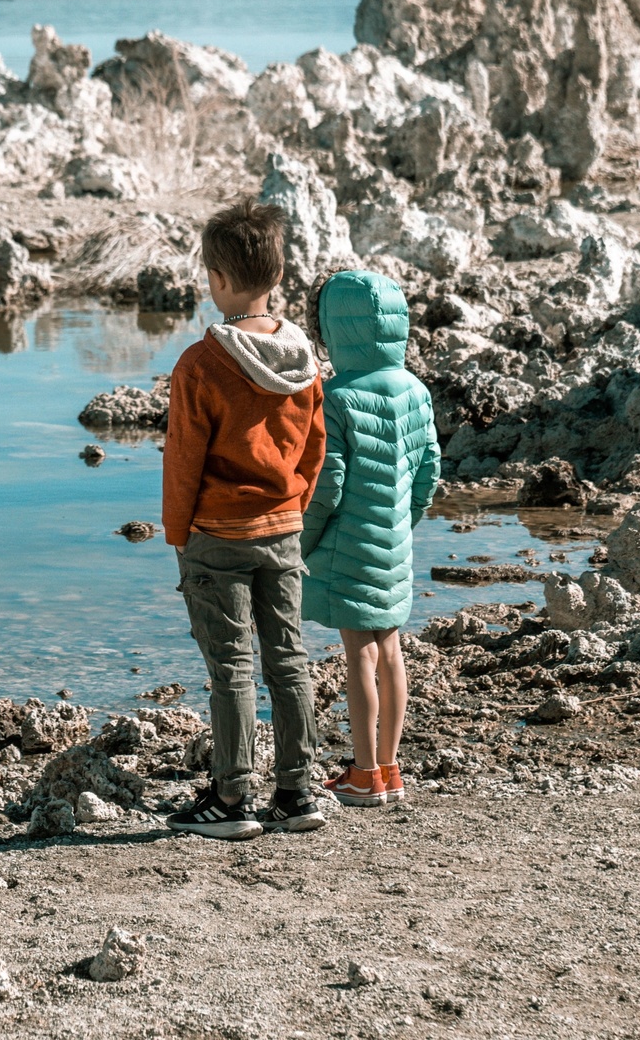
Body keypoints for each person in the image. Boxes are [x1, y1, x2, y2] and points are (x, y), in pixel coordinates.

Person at [161, 198, 329, 839]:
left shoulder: (202, 364)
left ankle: (232, 800)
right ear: (278, 277)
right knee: (288, 657)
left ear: (218, 281)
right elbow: (316, 445)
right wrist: (293, 506)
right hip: (282, 529)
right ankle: (298, 791)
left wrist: (180, 534)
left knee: (230, 665)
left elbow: (183, 462)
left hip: (217, 536)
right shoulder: (304, 360)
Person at [299, 269, 438, 808]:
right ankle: (389, 767)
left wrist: (300, 544)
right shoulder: (416, 390)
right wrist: (404, 524)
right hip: (394, 542)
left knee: (357, 651)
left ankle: (362, 775)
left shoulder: (334, 397)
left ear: (334, 330)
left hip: (345, 546)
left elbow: (326, 486)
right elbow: (428, 473)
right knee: (391, 651)